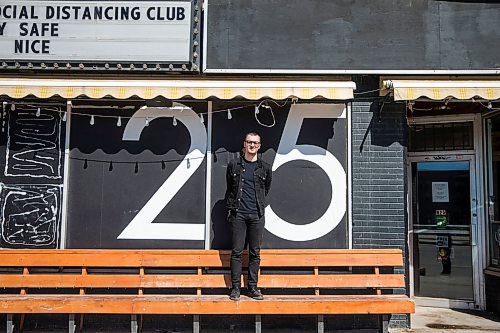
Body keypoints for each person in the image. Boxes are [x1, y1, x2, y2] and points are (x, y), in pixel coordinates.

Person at [225, 132, 272, 301]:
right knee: (237, 252)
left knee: (255, 253)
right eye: (249, 142)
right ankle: (236, 288)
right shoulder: (234, 165)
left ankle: (252, 287)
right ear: (244, 144)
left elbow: (266, 188)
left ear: (259, 146)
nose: (252, 145)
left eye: (255, 143)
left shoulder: (265, 167)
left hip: (257, 215)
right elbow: (230, 187)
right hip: (238, 214)